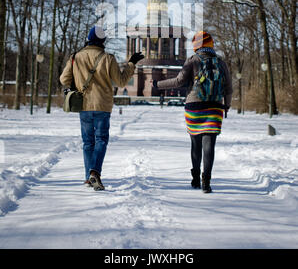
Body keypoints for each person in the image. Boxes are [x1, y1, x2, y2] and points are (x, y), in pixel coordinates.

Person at [60, 25, 144, 190]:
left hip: (83, 104)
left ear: (89, 39)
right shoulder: (108, 58)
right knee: (101, 140)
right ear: (102, 41)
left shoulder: (75, 57)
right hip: (102, 105)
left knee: (87, 142)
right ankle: (94, 173)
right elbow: (120, 81)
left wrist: (75, 84)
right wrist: (131, 63)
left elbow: (64, 79)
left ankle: (88, 177)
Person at [153, 31, 232, 193]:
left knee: (195, 144)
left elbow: (179, 81)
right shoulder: (221, 63)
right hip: (215, 107)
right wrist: (227, 106)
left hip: (194, 106)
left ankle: (195, 178)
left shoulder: (193, 61)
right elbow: (229, 88)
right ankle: (206, 182)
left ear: (197, 45)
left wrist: (157, 84)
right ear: (211, 44)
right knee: (209, 146)